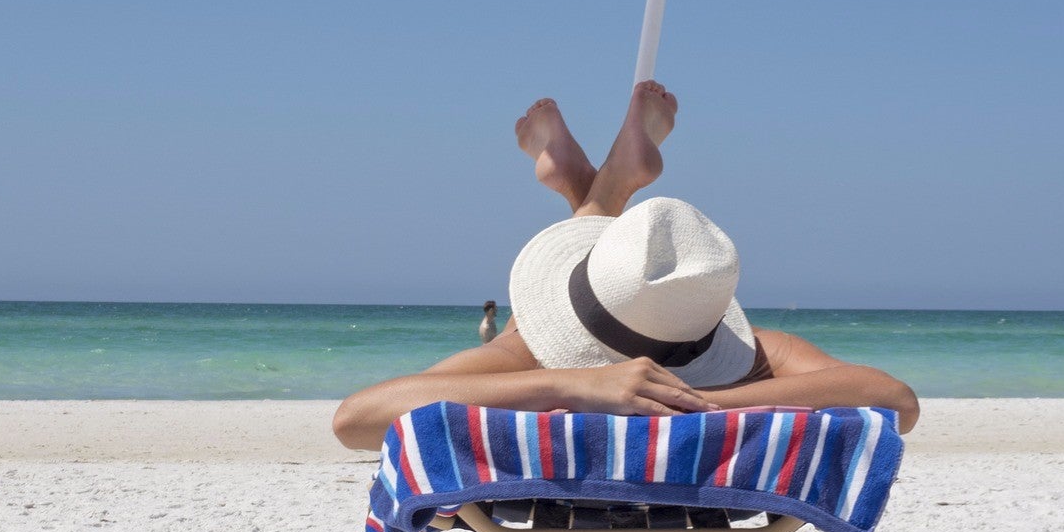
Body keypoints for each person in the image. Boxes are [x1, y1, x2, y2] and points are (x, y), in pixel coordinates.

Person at [333, 81, 919, 450]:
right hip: (708, 396)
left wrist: (575, 385)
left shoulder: (526, 353)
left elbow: (356, 418)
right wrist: (704, 400)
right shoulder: (761, 358)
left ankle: (603, 191)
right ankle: (602, 186)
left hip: (548, 391)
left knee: (524, 324)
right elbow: (895, 398)